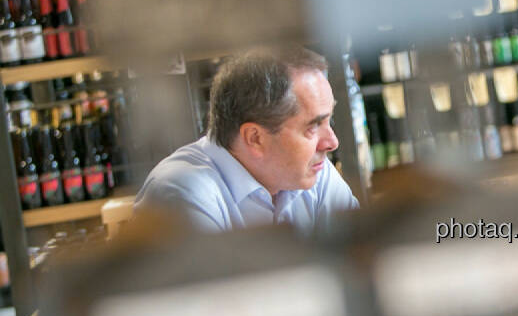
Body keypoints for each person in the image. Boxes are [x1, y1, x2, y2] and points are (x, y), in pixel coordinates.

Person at [135, 46, 359, 234]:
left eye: (329, 121)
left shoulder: (312, 173)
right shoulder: (180, 191)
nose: (332, 142)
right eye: (313, 127)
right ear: (255, 138)